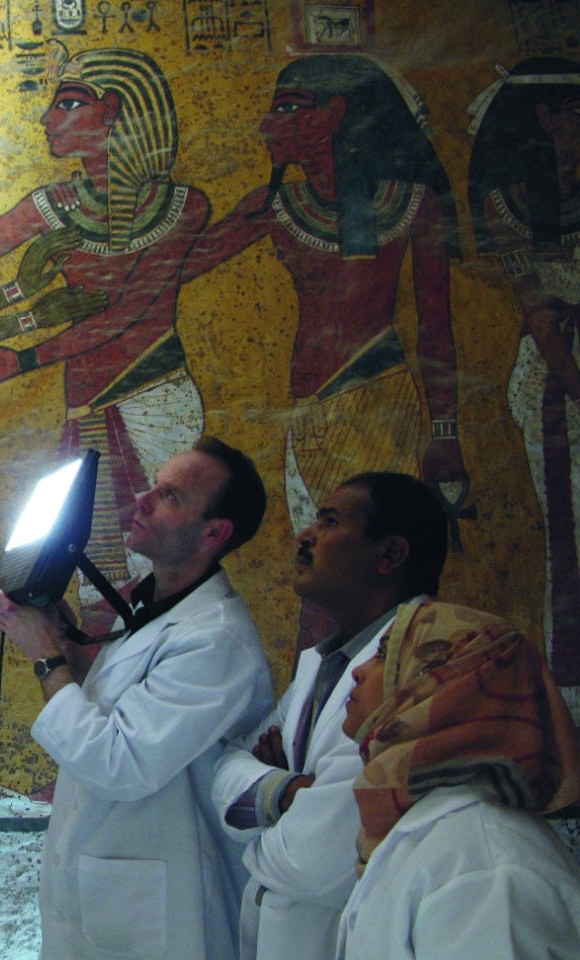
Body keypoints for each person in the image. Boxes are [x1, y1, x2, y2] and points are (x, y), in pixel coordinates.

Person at [181, 55, 464, 649]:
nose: (266, 125)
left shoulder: (411, 205)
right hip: (305, 414)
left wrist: (444, 432)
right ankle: (311, 710)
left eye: (288, 109)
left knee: (368, 579)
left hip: (378, 406)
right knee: (313, 574)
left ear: (335, 115)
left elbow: (436, 330)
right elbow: (179, 267)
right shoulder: (273, 203)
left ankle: (364, 706)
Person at [0, 48, 210, 626]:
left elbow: (129, 313)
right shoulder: (53, 205)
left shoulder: (182, 206)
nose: (46, 119)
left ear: (111, 111)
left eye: (68, 103)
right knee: (92, 584)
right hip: (82, 408)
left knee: (167, 576)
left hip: (153, 393)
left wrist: (20, 359)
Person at [0, 436, 274, 960]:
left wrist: (44, 655)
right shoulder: (146, 607)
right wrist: (65, 650)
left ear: (215, 532)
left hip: (165, 912)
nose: (142, 499)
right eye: (154, 485)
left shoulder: (216, 639)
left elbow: (118, 764)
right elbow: (109, 718)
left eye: (170, 496)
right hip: (100, 886)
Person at [211, 472, 448, 960]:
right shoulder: (324, 664)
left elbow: (315, 861)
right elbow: (225, 770)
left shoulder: (415, 675)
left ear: (389, 555)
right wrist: (289, 792)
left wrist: (261, 813)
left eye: (331, 521)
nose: (305, 534)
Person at [337, 599, 580, 959]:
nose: (359, 671)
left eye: (385, 657)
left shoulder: (488, 870)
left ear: (445, 684)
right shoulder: (440, 836)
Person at [467, 57, 580, 696]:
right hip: (554, 381)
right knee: (568, 532)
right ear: (542, 117)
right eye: (574, 112)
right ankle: (570, 689)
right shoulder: (505, 203)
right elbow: (540, 317)